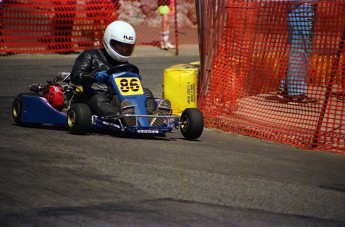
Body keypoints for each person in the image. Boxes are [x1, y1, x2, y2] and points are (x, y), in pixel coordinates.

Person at [70, 20, 171, 126]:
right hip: (94, 96)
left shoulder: (126, 65)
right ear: (109, 41)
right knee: (98, 99)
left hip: (120, 99)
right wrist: (93, 76)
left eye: (127, 47)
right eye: (120, 46)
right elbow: (75, 75)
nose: (123, 50)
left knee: (146, 92)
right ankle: (123, 118)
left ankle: (149, 118)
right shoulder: (90, 55)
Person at [278, 1, 318, 104]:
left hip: (299, 14)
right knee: (300, 54)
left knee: (298, 53)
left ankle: (286, 88)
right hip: (301, 16)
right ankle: (296, 93)